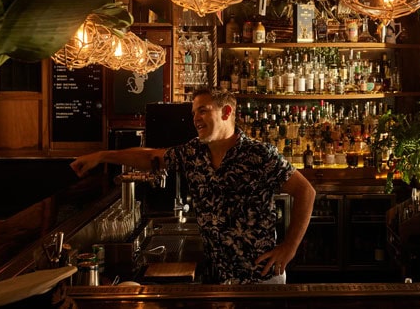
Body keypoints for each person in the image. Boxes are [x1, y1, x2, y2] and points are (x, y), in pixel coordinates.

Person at [70, 87, 316, 284]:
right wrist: (103, 156)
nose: (195, 119)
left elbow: (306, 191)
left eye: (203, 111)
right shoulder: (193, 153)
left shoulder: (259, 154)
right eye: (193, 113)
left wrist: (289, 247)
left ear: (226, 112)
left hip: (261, 277)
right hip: (217, 278)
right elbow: (151, 157)